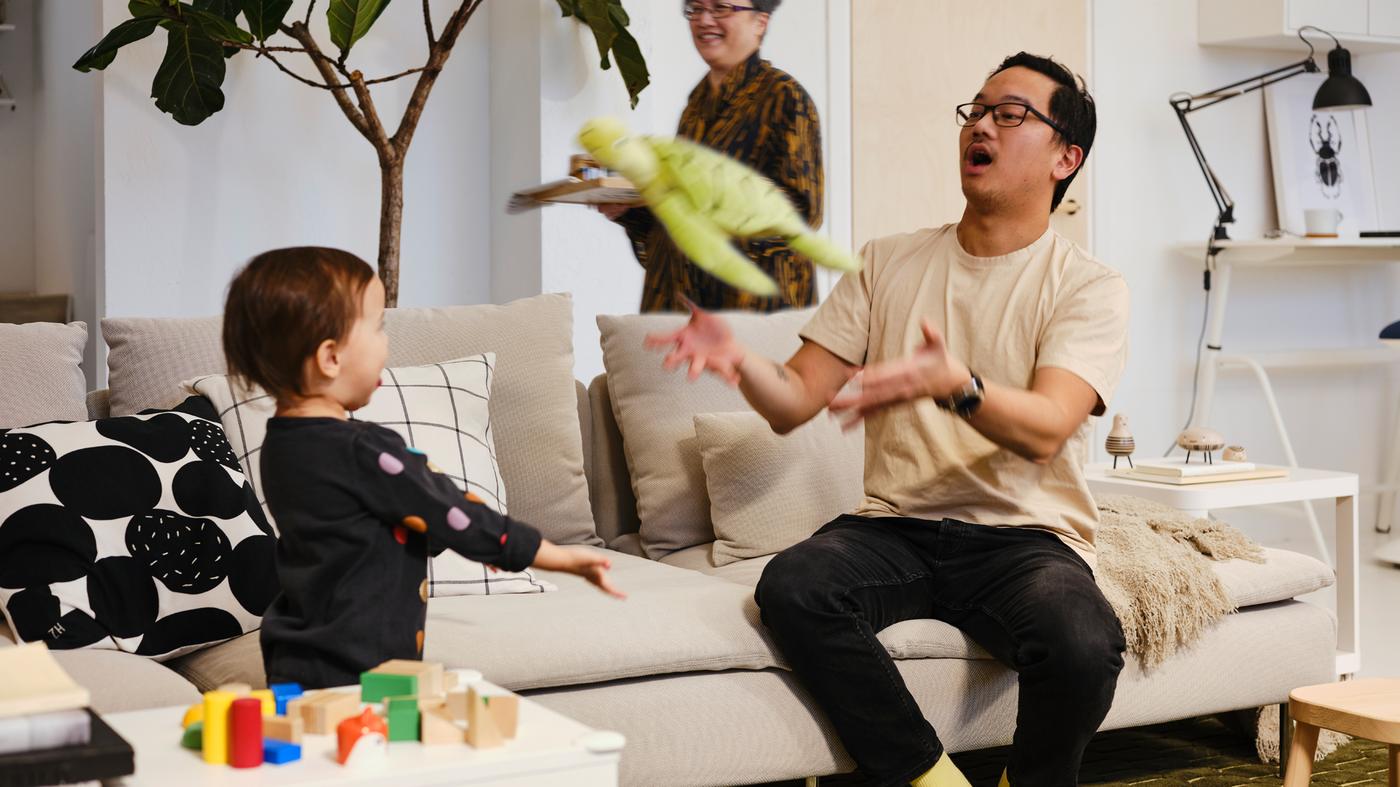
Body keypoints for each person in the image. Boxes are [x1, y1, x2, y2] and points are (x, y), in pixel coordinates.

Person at [646, 53, 1130, 786]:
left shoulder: (1088, 286)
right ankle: (926, 778)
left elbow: (1046, 425)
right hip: (895, 527)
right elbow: (793, 402)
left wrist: (959, 385)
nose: (982, 125)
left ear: (1067, 156)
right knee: (794, 585)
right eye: (976, 109)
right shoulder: (887, 263)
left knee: (1085, 641)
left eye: (1011, 113)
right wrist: (737, 357)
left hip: (1024, 538)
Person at [221, 247, 624, 689]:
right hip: (362, 667)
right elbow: (452, 510)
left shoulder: (279, 445)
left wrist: (444, 538)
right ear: (330, 357)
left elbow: (359, 529)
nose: (386, 342)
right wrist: (560, 557)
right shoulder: (364, 451)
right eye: (377, 327)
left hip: (294, 658)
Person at [598, 0, 823, 313]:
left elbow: (800, 215)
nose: (704, 20)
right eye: (695, 8)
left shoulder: (785, 97)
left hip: (753, 319)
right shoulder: (696, 106)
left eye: (720, 8)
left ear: (761, 21)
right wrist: (629, 212)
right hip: (683, 315)